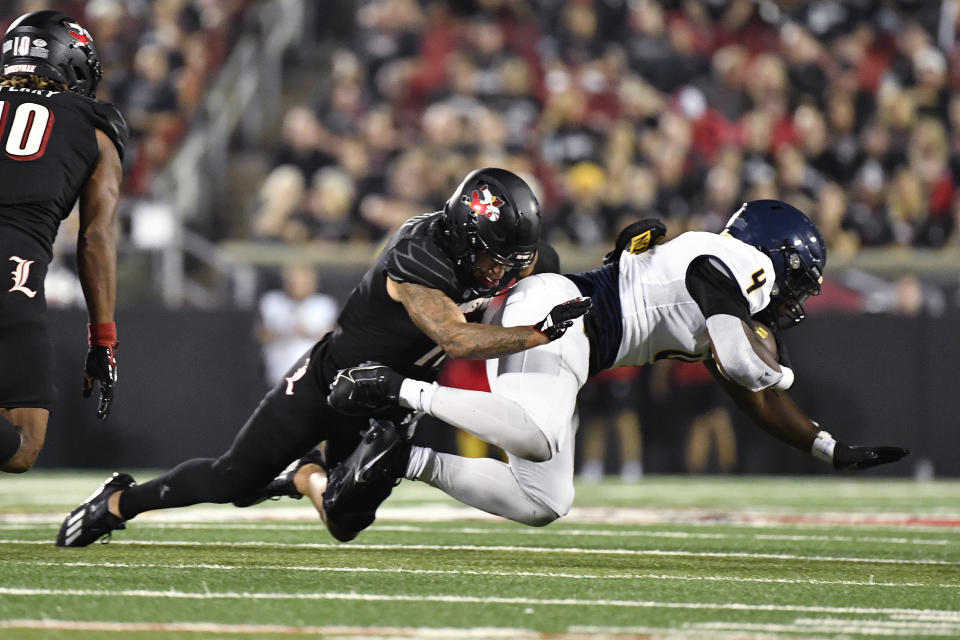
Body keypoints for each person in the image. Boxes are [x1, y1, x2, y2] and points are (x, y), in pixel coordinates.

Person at [56, 166, 594, 546]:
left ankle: (302, 476)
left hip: (387, 402)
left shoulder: (499, 257)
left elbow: (542, 271)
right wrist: (536, 335)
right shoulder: (418, 256)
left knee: (344, 523)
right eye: (493, 261)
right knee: (232, 481)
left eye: (511, 262)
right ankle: (119, 503)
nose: (503, 275)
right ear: (461, 236)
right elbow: (454, 338)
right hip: (331, 383)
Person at [325, 200, 910, 528]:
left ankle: (404, 457)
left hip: (578, 342)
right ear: (776, 259)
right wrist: (779, 371)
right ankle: (396, 390)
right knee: (532, 439)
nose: (794, 299)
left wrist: (826, 447)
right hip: (559, 315)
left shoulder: (722, 280)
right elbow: (741, 360)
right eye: (799, 282)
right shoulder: (728, 262)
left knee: (545, 502)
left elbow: (748, 392)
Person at [0, 11, 126, 473]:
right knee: (23, 442)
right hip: (12, 272)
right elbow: (95, 238)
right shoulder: (94, 125)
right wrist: (103, 340)